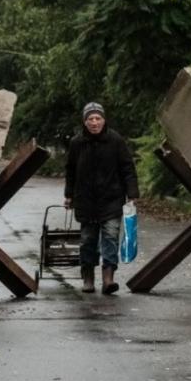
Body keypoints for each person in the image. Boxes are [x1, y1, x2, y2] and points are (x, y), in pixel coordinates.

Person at [64, 102, 139, 294]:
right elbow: (70, 171)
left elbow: (127, 168)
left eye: (98, 118)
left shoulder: (115, 140)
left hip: (111, 199)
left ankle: (108, 279)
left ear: (104, 120)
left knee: (110, 237)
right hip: (85, 201)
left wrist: (132, 195)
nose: (94, 122)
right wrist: (69, 195)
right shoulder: (77, 143)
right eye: (91, 119)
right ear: (85, 121)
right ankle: (88, 279)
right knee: (88, 240)